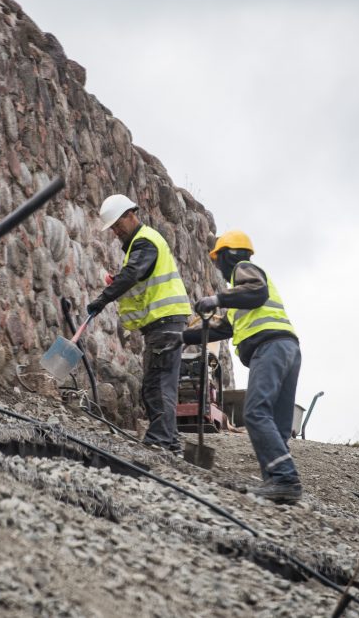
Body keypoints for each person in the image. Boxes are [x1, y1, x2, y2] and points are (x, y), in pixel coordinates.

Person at [186, 230, 302, 503]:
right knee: (278, 423)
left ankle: (285, 479)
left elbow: (256, 291)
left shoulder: (244, 269)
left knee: (255, 411)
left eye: (218, 260)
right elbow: (220, 329)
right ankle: (277, 483)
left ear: (227, 255)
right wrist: (181, 336)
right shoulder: (239, 304)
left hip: (270, 347)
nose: (219, 267)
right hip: (288, 349)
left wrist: (217, 299)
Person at [86, 194, 192, 453]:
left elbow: (134, 274)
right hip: (165, 323)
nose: (115, 231)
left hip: (164, 323)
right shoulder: (142, 244)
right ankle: (170, 441)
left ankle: (161, 441)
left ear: (130, 215)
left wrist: (103, 299)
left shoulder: (145, 242)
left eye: (117, 225)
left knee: (157, 383)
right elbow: (136, 277)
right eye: (112, 228)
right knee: (160, 381)